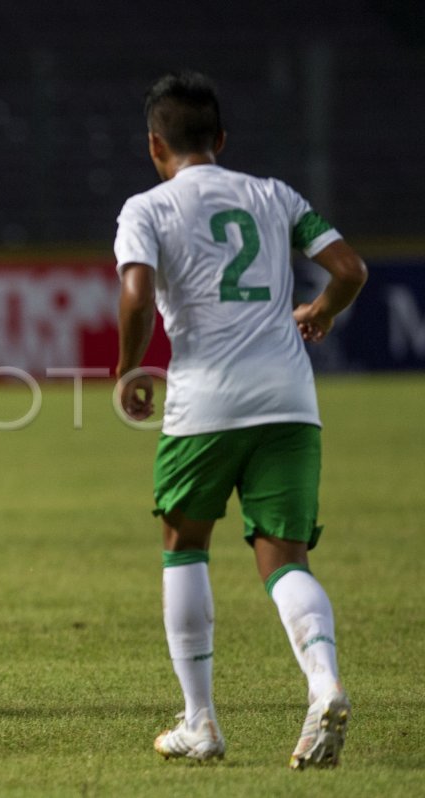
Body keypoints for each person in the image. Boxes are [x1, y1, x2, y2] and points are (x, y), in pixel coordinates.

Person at [114, 72, 367, 768]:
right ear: (221, 141)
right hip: (290, 400)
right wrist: (320, 311)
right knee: (284, 558)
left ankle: (201, 723)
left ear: (154, 145)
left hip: (205, 400)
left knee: (184, 541)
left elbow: (136, 293)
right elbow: (348, 268)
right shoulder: (275, 195)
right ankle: (324, 685)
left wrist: (130, 368)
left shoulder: (147, 208)